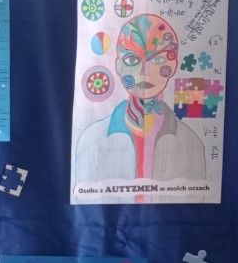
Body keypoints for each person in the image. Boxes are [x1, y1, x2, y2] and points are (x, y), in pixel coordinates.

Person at [74, 14, 205, 190]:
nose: (145, 71)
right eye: (132, 60)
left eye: (158, 59)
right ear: (119, 66)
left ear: (173, 66)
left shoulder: (191, 144)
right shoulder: (90, 140)